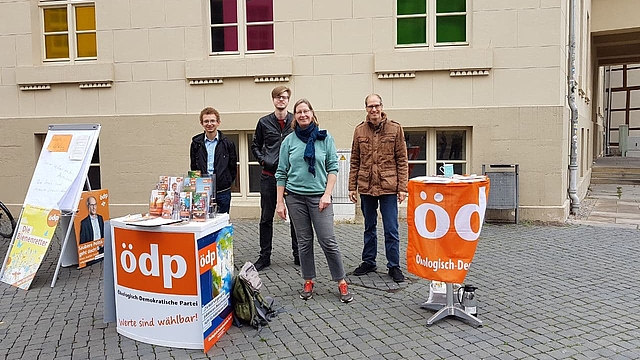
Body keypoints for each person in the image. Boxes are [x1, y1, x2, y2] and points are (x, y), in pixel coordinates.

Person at [276, 99, 353, 303]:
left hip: (320, 197)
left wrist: (327, 194)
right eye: (299, 112)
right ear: (295, 116)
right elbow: (281, 172)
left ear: (312, 113)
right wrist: (280, 202)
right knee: (304, 242)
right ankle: (308, 280)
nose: (302, 115)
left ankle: (341, 281)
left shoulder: (324, 138)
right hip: (294, 198)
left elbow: (333, 168)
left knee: (328, 240)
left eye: (306, 111)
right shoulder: (289, 141)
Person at [348, 94, 409, 283]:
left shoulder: (395, 129)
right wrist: (352, 187)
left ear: (382, 106)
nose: (374, 110)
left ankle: (394, 266)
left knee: (391, 229)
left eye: (376, 106)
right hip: (366, 187)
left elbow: (402, 160)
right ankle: (369, 261)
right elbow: (355, 160)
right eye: (370, 106)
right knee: (369, 226)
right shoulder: (359, 131)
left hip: (389, 188)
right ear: (366, 108)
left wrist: (403, 188)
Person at [251, 86, 299, 271]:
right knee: (266, 217)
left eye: (285, 97)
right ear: (273, 100)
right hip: (269, 176)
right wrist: (263, 161)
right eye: (278, 97)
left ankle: (298, 254)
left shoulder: (296, 120)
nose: (281, 100)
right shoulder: (264, 122)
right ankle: (265, 256)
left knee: (296, 217)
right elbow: (255, 145)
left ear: (288, 100)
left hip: (292, 177)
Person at [190, 107, 238, 214]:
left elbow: (232, 167)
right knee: (202, 220)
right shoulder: (196, 143)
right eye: (206, 121)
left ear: (218, 123)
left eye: (212, 121)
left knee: (222, 221)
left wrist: (227, 180)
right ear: (202, 123)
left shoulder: (227, 143)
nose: (209, 124)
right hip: (202, 190)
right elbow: (193, 166)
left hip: (222, 190)